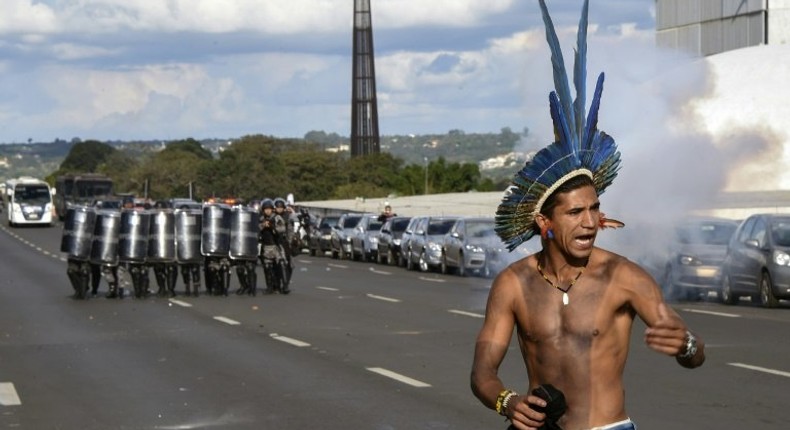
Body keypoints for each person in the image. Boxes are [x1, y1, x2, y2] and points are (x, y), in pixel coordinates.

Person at [470, 2, 705, 430]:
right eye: (576, 212)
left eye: (595, 209)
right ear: (545, 223)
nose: (591, 221)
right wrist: (507, 402)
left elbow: (692, 352)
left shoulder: (625, 277)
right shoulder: (513, 285)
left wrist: (686, 344)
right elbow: (482, 373)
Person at [258, 198, 290, 294]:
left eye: (269, 209)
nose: (267, 211)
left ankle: (284, 286)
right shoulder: (261, 219)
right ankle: (270, 287)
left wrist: (272, 226)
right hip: (266, 246)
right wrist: (263, 226)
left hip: (276, 246)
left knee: (281, 264)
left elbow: (282, 229)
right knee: (267, 267)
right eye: (265, 209)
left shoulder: (277, 218)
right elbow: (256, 229)